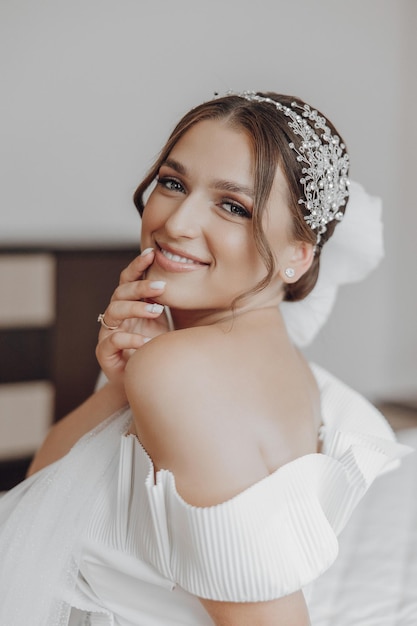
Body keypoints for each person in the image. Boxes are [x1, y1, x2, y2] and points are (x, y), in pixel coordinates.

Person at [0, 91, 411, 626]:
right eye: (172, 183)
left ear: (298, 255)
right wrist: (122, 384)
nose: (176, 223)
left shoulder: (181, 371)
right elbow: (40, 497)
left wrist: (151, 370)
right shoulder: (287, 368)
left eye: (232, 205)